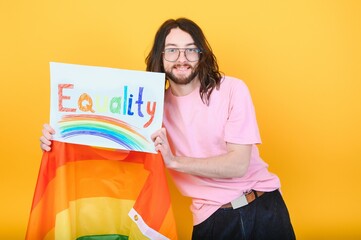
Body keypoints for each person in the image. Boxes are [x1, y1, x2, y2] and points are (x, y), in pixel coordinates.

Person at [40, 18, 296, 239]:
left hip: (265, 209)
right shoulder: (150, 108)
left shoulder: (231, 89)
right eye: (171, 50)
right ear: (160, 57)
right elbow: (114, 151)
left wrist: (175, 162)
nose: (181, 59)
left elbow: (238, 164)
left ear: (201, 54)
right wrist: (61, 137)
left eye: (190, 50)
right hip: (214, 220)